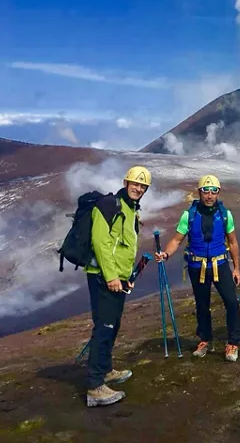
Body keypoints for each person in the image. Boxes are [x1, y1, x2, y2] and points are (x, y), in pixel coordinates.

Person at [154, 175, 240, 362]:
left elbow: (233, 242)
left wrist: (236, 268)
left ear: (218, 192)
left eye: (213, 191)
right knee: (202, 305)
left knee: (232, 303)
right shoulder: (189, 215)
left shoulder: (226, 215)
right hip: (197, 266)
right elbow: (177, 240)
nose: (209, 195)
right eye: (205, 191)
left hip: (220, 264)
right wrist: (166, 254)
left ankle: (233, 343)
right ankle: (205, 340)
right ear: (199, 192)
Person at [85, 165, 150, 407]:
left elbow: (123, 247)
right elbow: (101, 243)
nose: (138, 188)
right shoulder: (108, 206)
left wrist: (126, 276)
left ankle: (105, 369)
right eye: (135, 183)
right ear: (125, 183)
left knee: (113, 325)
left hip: (118, 277)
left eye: (143, 186)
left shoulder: (131, 209)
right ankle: (94, 387)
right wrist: (112, 276)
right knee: (104, 326)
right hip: (103, 277)